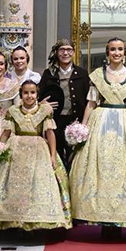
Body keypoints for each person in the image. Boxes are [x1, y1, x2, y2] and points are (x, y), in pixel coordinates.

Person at [69, 38, 126, 234]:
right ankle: (101, 217)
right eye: (113, 49)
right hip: (101, 122)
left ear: (125, 52)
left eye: (120, 49)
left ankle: (121, 218)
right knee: (100, 165)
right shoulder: (98, 75)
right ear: (108, 52)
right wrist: (83, 127)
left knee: (124, 167)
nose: (117, 53)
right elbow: (91, 103)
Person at [0, 80, 72, 231]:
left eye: (32, 92)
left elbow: (50, 134)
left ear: (37, 94)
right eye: (26, 93)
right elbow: (6, 133)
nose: (29, 96)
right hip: (16, 150)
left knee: (36, 183)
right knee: (16, 185)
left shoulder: (44, 111)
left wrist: (53, 156)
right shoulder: (13, 111)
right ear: (21, 94)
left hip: (38, 150)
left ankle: (35, 222)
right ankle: (16, 221)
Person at [37, 39, 90, 167]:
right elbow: (38, 97)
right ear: (56, 52)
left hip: (76, 121)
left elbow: (89, 99)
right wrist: (42, 104)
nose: (65, 53)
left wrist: (84, 124)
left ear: (73, 52)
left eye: (69, 50)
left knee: (76, 158)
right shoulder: (49, 73)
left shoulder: (82, 73)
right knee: (57, 156)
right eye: (62, 50)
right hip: (55, 122)